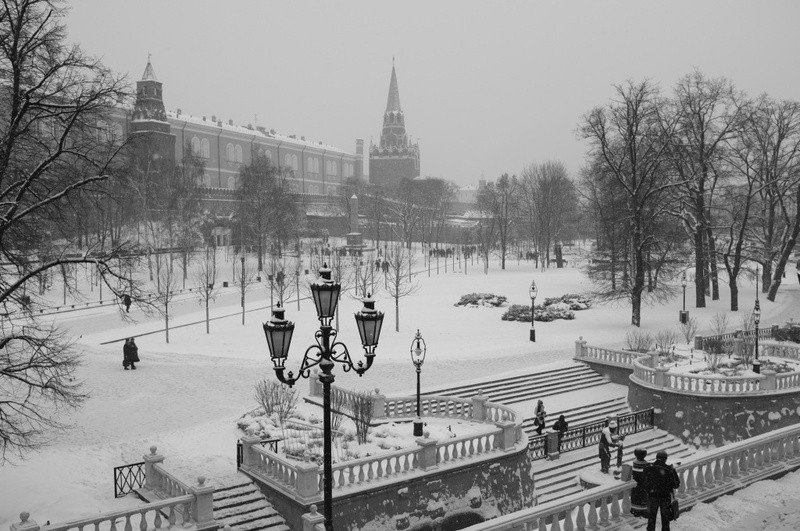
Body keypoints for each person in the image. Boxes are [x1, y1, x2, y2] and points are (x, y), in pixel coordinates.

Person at [643, 450, 680, 531]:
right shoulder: (669, 470)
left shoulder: (649, 468)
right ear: (665, 459)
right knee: (665, 519)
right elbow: (676, 485)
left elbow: (645, 482)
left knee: (651, 518)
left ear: (656, 458)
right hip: (665, 497)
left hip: (652, 496)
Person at [630, 448, 650, 517]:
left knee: (636, 498)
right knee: (642, 498)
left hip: (637, 490)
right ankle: (642, 511)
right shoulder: (646, 466)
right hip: (643, 489)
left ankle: (636, 510)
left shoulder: (635, 465)